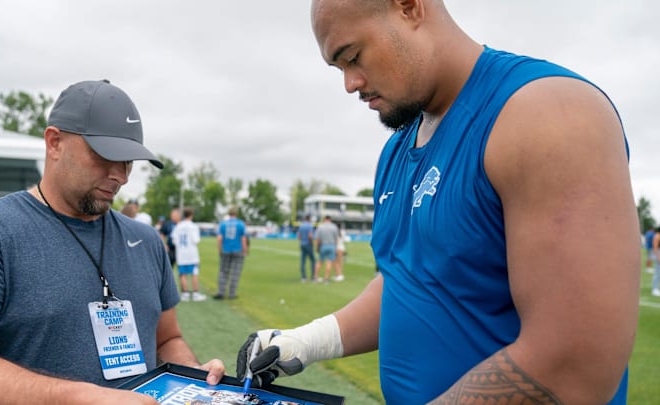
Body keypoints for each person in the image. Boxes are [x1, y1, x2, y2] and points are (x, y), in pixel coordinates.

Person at [235, 1, 639, 404]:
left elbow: (576, 362)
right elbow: (415, 280)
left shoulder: (546, 113)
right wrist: (307, 341)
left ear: (409, 8)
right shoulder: (397, 148)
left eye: (353, 57)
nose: (350, 83)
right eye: (338, 68)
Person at [0, 79, 224, 404]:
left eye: (129, 160)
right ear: (54, 143)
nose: (121, 175)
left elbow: (167, 338)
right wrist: (79, 398)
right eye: (105, 155)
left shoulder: (145, 240)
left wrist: (194, 379)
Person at [171, 207, 208, 302]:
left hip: (181, 254)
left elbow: (174, 240)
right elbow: (196, 240)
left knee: (183, 274)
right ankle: (195, 293)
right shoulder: (193, 226)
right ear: (191, 215)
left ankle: (185, 294)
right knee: (194, 273)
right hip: (192, 255)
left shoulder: (178, 226)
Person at [213, 207, 248, 300]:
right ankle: (232, 293)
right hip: (238, 249)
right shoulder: (241, 224)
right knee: (235, 272)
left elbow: (219, 238)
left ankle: (221, 291)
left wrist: (220, 249)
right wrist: (245, 250)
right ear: (236, 214)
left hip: (226, 249)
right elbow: (243, 239)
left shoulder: (223, 224)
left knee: (223, 271)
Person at [312, 215, 340, 283]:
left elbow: (318, 238)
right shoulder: (334, 227)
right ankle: (326, 278)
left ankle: (315, 277)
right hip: (332, 246)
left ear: (324, 219)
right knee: (329, 262)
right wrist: (336, 247)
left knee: (320, 262)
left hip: (323, 246)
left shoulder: (320, 227)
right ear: (330, 220)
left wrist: (317, 247)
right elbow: (336, 238)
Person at [297, 214, 316, 282]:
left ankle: (303, 277)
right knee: (313, 260)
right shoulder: (309, 226)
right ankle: (313, 276)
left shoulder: (301, 226)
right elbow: (310, 236)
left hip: (302, 244)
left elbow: (299, 236)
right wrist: (311, 242)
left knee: (303, 261)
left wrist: (302, 240)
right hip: (308, 244)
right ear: (310, 219)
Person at [651, 226, 660, 297]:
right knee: (657, 273)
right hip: (658, 254)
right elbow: (655, 248)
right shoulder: (657, 236)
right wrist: (658, 257)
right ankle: (655, 289)